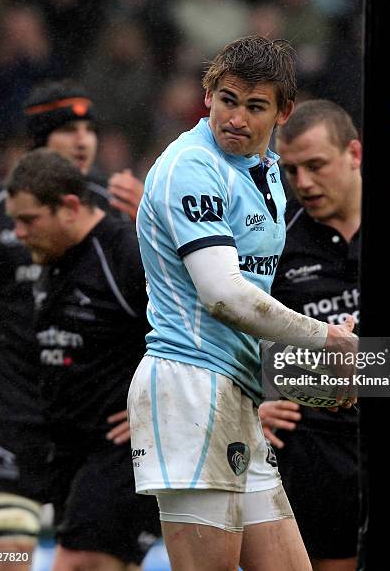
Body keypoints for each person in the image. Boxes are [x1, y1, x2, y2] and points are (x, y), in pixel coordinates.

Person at [128, 36, 357, 571]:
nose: (237, 118)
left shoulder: (268, 171)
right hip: (187, 389)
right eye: (228, 99)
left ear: (283, 111)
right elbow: (225, 296)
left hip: (237, 391)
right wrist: (330, 340)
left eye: (255, 107)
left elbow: (256, 304)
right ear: (207, 94)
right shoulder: (190, 166)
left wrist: (319, 375)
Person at [0, 79, 146, 570]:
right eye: (69, 129)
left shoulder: (114, 211)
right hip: (18, 412)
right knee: (8, 552)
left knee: (99, 552)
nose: (84, 140)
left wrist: (152, 215)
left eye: (90, 128)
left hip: (97, 421)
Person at [5, 149, 159, 570]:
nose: (18, 232)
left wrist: (161, 404)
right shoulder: (51, 256)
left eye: (29, 220)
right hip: (70, 450)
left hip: (119, 451)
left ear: (70, 208)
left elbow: (192, 328)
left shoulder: (124, 252)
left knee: (76, 562)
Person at [259, 99, 362, 571]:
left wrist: (293, 370)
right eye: (291, 170)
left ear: (354, 154)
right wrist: (256, 397)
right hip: (315, 449)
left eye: (315, 166)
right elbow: (244, 341)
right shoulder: (276, 242)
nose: (303, 183)